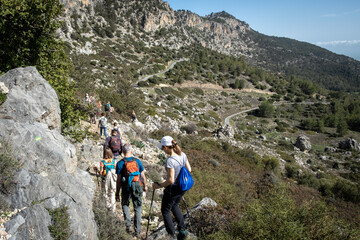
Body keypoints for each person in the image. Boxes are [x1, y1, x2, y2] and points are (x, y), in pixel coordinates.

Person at [152, 136, 191, 240]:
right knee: (175, 206)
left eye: (162, 148)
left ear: (166, 147)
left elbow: (170, 180)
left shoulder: (170, 160)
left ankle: (171, 235)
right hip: (183, 187)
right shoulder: (182, 155)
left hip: (173, 188)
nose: (163, 150)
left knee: (165, 210)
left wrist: (159, 185)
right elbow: (189, 169)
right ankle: (182, 229)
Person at [116, 144, 147, 238]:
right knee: (137, 207)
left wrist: (117, 193)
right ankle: (137, 231)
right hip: (137, 186)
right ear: (131, 151)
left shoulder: (120, 163)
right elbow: (142, 175)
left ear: (122, 151)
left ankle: (128, 226)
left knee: (125, 204)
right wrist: (145, 186)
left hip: (126, 187)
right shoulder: (137, 161)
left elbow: (118, 180)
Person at [100, 148, 117, 213]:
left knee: (105, 193)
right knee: (112, 193)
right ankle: (113, 209)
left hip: (105, 179)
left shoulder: (103, 162)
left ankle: (108, 206)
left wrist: (98, 171)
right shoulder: (114, 161)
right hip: (113, 179)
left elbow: (101, 172)